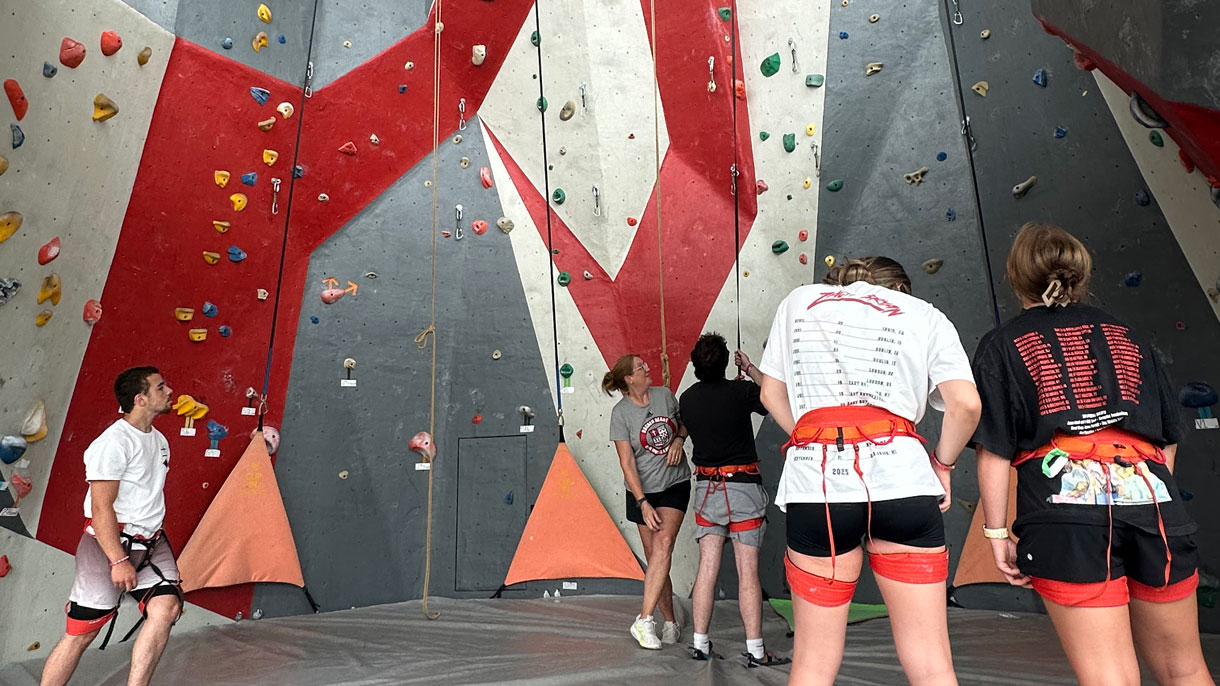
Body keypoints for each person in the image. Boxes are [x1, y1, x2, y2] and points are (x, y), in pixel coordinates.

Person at [972, 223, 1213, 686]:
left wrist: (997, 532)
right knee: (1184, 670)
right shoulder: (1130, 335)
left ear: (1015, 278)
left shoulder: (1002, 344)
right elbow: (1167, 440)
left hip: (1066, 519)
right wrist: (1151, 505)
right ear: (1082, 276)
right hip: (1155, 505)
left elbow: (995, 451)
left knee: (1109, 677)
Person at [758, 257, 980, 686]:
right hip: (904, 480)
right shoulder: (924, 314)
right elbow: (966, 404)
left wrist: (810, 436)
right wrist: (943, 464)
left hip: (819, 486)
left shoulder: (797, 302)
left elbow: (770, 392)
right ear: (900, 286)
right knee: (932, 663)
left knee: (812, 665)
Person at [42, 367, 183, 686]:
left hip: (151, 543)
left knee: (166, 607)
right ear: (141, 399)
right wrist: (118, 561)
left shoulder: (159, 441)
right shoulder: (112, 444)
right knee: (81, 634)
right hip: (108, 545)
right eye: (161, 387)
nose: (170, 390)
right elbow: (101, 508)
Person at [679, 333, 789, 666]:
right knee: (747, 573)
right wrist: (751, 368)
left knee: (707, 569)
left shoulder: (687, 399)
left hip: (707, 491)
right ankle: (756, 650)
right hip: (742, 488)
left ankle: (700, 644)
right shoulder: (741, 392)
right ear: (727, 362)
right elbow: (771, 397)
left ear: (695, 365)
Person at [604, 354, 690, 650]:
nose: (648, 369)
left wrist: (679, 439)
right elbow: (626, 463)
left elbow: (683, 423)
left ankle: (644, 620)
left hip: (674, 484)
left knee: (664, 545)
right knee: (656, 557)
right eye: (641, 368)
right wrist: (641, 501)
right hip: (641, 492)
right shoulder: (621, 414)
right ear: (629, 379)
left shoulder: (665, 396)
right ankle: (669, 621)